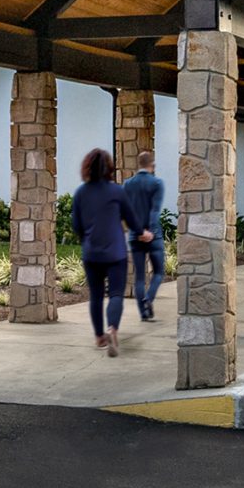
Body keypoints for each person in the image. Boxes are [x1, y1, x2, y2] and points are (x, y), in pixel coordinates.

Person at [68, 147, 141, 356]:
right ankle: (113, 329)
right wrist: (142, 232)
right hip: (116, 252)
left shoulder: (81, 193)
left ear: (87, 167)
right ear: (109, 167)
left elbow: (76, 225)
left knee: (96, 296)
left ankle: (100, 337)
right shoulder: (117, 191)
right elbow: (132, 219)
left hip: (92, 253)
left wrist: (87, 240)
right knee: (116, 294)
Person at [118, 149, 166, 321]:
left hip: (135, 236)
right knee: (159, 271)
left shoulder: (127, 184)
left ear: (139, 165)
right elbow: (155, 210)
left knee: (139, 277)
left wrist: (138, 231)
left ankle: (143, 313)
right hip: (154, 237)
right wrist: (150, 232)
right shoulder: (157, 183)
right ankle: (148, 298)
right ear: (152, 165)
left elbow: (124, 212)